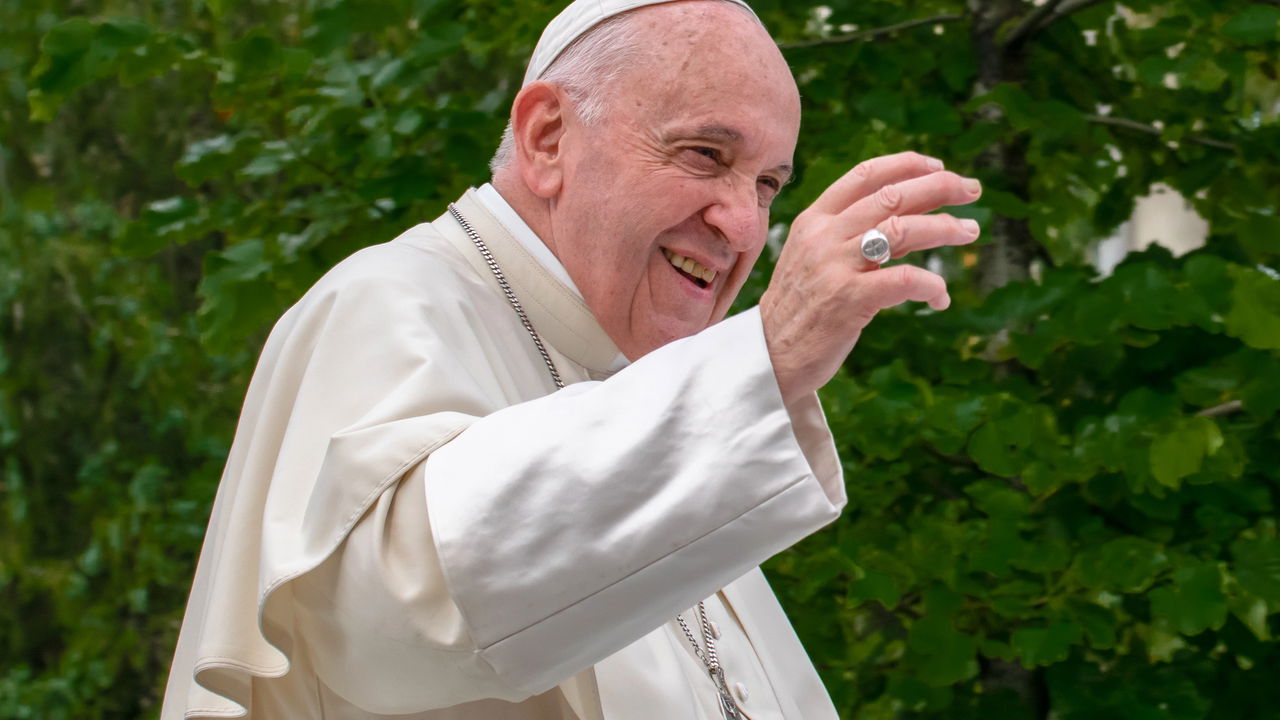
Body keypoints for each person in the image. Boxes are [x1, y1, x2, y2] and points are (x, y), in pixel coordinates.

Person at [161, 0, 982, 718]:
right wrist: (767, 355)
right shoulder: (390, 301)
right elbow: (382, 622)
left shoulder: (633, 383)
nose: (742, 224)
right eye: (705, 155)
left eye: (769, 184)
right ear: (548, 137)